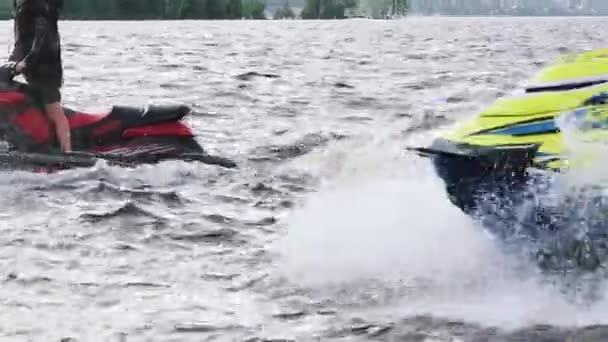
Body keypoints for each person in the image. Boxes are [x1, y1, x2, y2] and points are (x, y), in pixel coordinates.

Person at [9, 0, 71, 152]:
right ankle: (41, 144)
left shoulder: (38, 7)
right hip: (34, 68)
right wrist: (11, 62)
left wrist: (27, 60)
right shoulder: (25, 8)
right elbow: (22, 41)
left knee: (54, 110)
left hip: (45, 68)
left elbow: (40, 38)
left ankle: (68, 153)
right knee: (34, 105)